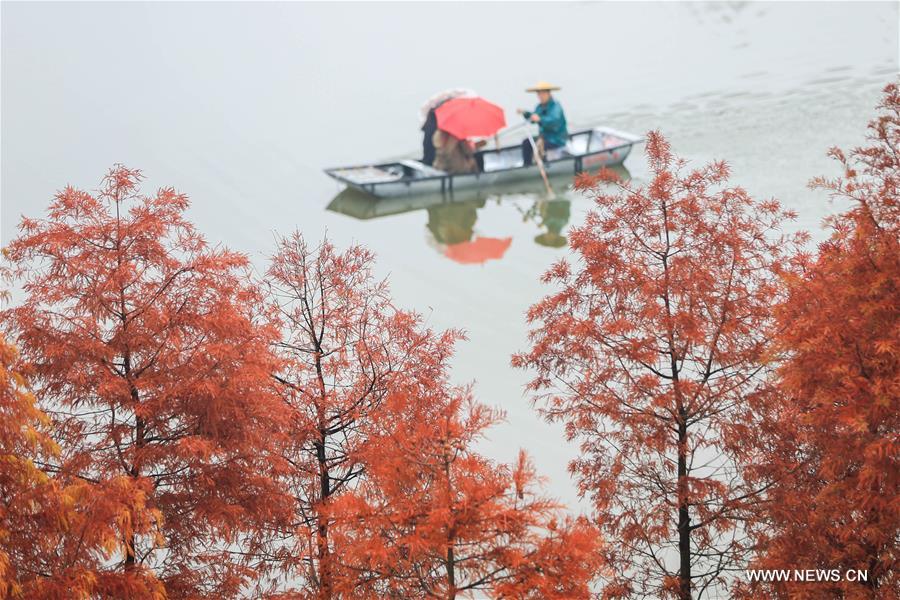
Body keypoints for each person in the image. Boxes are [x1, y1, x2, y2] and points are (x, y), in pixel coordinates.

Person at [516, 81, 568, 166]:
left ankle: (546, 164)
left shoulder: (556, 106)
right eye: (539, 94)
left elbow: (553, 121)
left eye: (542, 93)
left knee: (541, 146)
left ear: (548, 93)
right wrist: (525, 113)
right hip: (544, 138)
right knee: (526, 142)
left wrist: (540, 119)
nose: (540, 96)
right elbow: (533, 118)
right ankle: (527, 166)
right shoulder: (539, 107)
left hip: (556, 139)